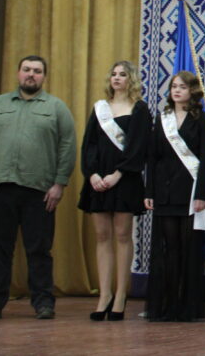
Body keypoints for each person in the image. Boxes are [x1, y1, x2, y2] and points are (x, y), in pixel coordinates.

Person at [0, 55, 76, 321]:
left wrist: (59, 183)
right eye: (27, 69)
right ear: (18, 73)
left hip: (40, 192)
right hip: (0, 189)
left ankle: (43, 303)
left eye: (37, 71)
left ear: (44, 76)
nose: (31, 74)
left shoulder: (56, 108)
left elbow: (67, 146)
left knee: (39, 250)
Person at [77, 61, 150, 321]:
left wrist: (118, 174)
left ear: (131, 80)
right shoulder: (100, 108)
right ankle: (104, 294)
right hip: (98, 180)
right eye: (114, 74)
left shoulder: (139, 109)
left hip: (125, 180)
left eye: (123, 75)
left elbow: (139, 147)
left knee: (122, 235)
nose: (117, 78)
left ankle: (120, 294)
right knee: (102, 235)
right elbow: (89, 144)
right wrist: (93, 174)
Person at [144, 71, 205, 322]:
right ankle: (168, 304)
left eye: (182, 87)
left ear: (192, 91)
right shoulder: (162, 119)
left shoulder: (203, 120)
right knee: (168, 250)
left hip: (190, 193)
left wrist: (202, 194)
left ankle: (188, 305)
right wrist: (149, 191)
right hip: (164, 192)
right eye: (174, 86)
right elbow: (152, 157)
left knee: (188, 248)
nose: (176, 90)